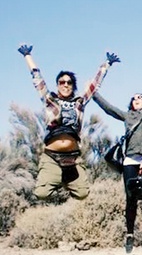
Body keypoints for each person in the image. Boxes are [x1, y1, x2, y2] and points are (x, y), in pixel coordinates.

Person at [18, 43, 119, 200]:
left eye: (69, 82)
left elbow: (94, 84)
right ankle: (56, 175)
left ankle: (66, 179)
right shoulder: (49, 100)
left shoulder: (80, 102)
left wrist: (107, 64)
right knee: (41, 193)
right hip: (52, 156)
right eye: (62, 82)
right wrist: (27, 56)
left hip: (72, 158)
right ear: (57, 85)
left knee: (83, 194)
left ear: (73, 85)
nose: (65, 85)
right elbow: (37, 78)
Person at [93, 91, 142, 255]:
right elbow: (110, 109)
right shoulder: (127, 116)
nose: (136, 99)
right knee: (131, 198)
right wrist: (94, 94)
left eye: (139, 97)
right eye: (133, 98)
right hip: (130, 161)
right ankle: (130, 234)